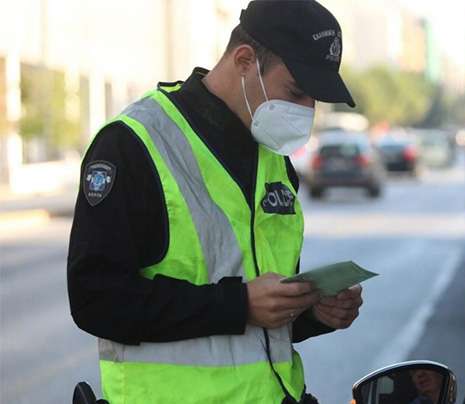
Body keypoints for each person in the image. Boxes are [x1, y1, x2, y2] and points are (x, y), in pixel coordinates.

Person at [66, 1, 363, 403]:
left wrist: (310, 313)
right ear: (244, 61)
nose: (306, 110)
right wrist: (238, 304)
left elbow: (259, 322)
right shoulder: (135, 144)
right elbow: (95, 300)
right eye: (296, 92)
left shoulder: (273, 158)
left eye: (315, 99)